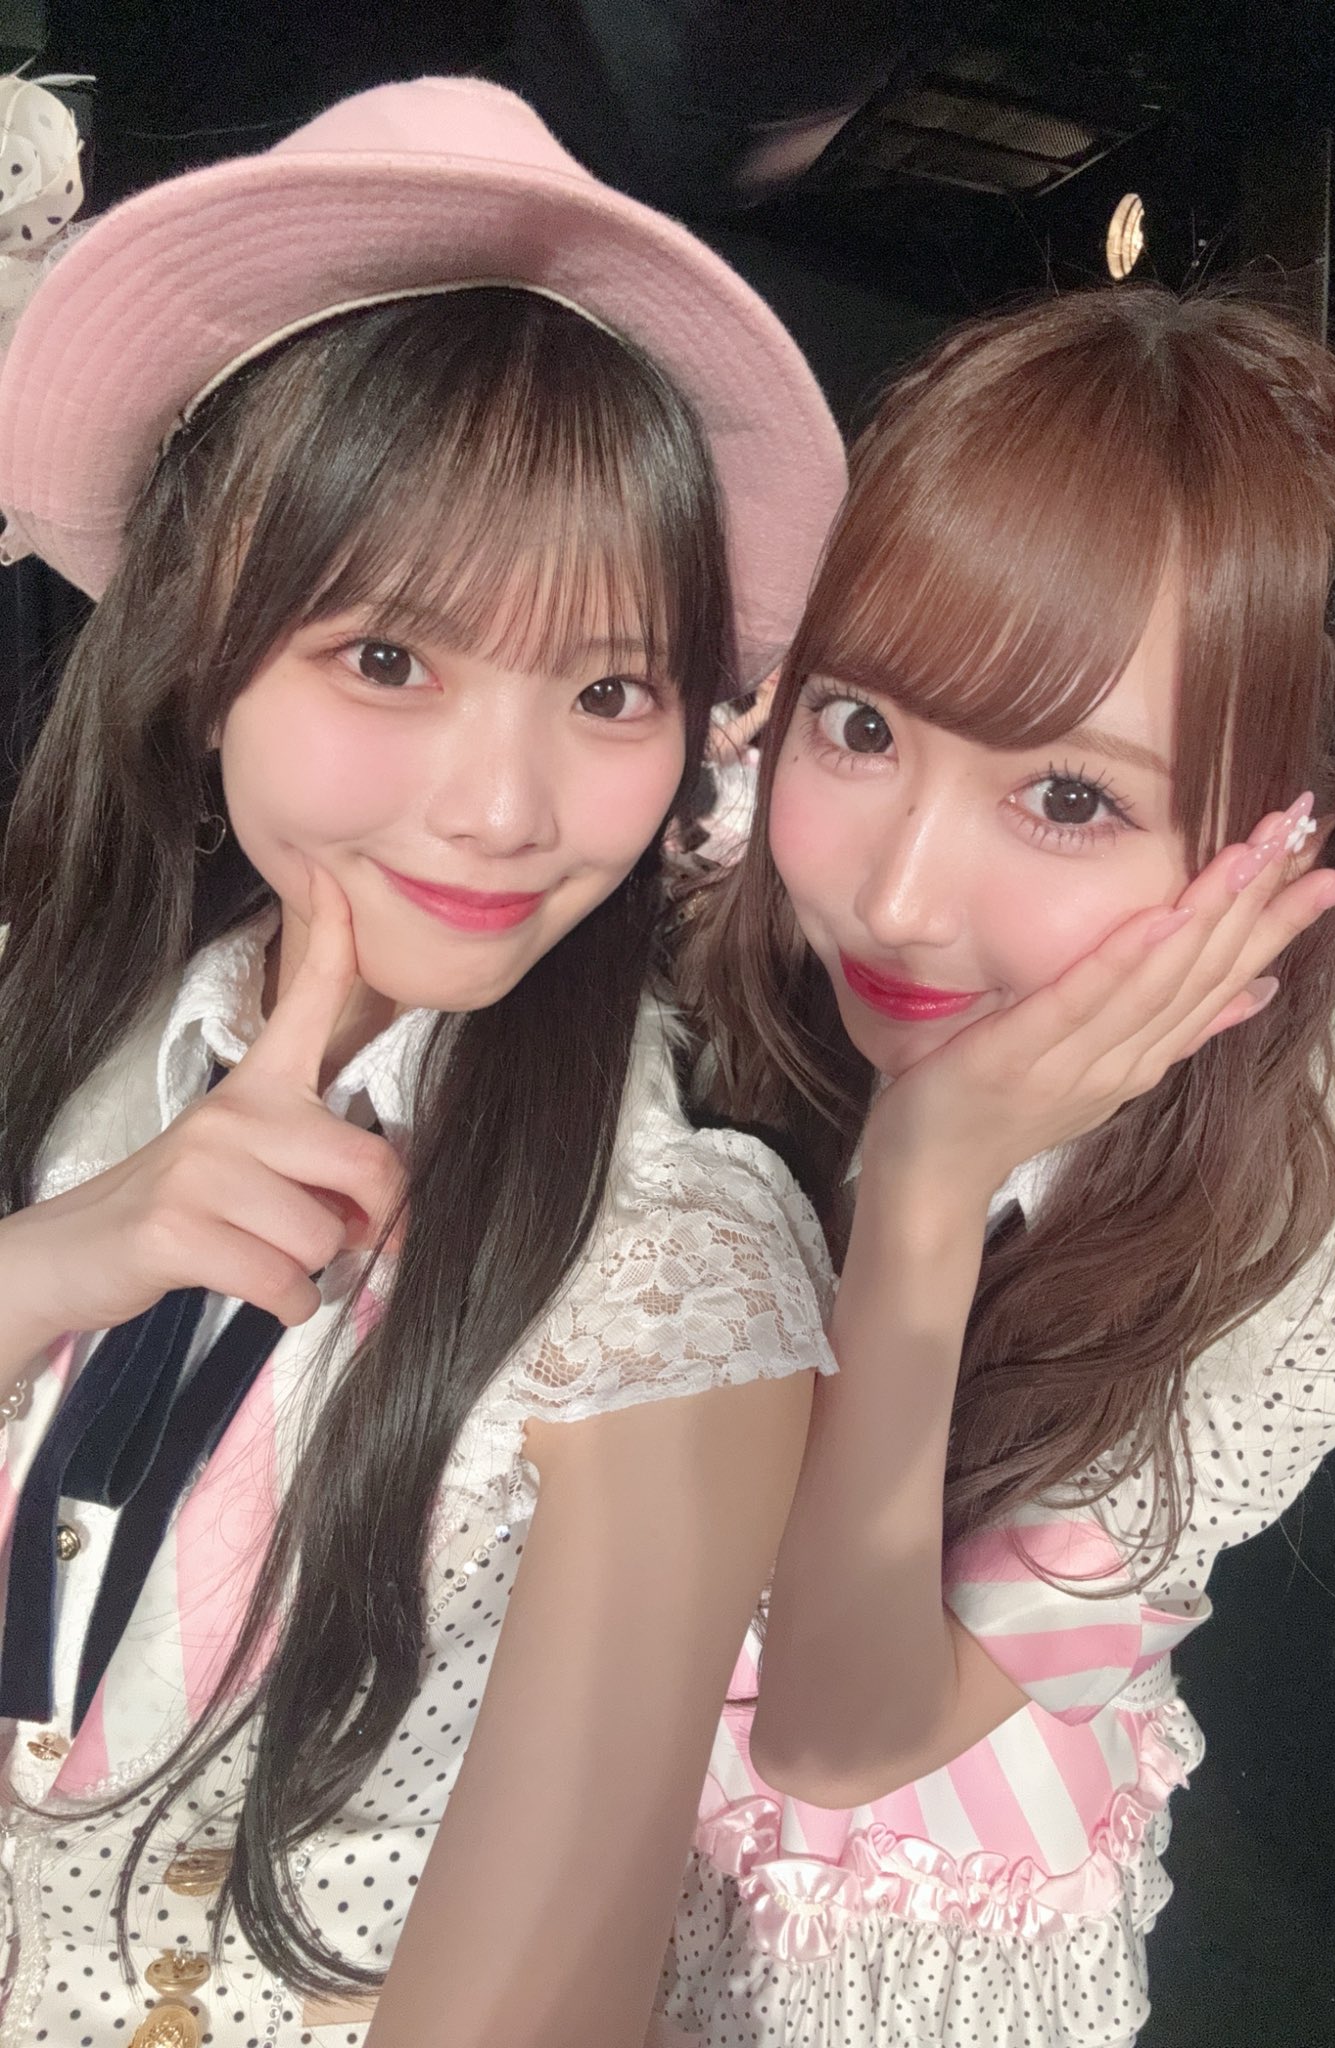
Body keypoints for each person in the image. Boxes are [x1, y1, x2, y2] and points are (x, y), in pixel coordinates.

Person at [0, 76, 847, 2048]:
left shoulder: (669, 1280)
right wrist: (53, 1264)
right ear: (203, 643)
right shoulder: (67, 1012)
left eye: (610, 688)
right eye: (389, 659)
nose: (502, 807)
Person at [656, 289, 1335, 2046]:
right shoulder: (707, 965)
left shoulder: (1333, 1228)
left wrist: (924, 1195)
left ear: (1300, 826)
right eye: (860, 726)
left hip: (865, 1968)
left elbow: (841, 1729)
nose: (895, 898)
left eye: (1068, 798)